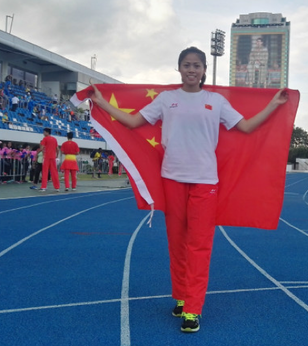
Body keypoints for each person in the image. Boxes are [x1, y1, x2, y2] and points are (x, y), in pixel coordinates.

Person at [89, 46, 288, 333]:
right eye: (186, 65)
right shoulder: (166, 100)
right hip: (172, 177)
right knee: (177, 241)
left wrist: (274, 105)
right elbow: (133, 122)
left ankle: (193, 309)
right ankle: (182, 296)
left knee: (199, 244)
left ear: (204, 70)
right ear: (179, 68)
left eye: (197, 65)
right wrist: (101, 102)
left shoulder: (216, 101)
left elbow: (245, 127)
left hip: (205, 181)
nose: (191, 70)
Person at [37, 127, 60, 192]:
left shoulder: (45, 139)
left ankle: (44, 187)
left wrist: (37, 152)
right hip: (53, 157)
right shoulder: (54, 139)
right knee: (54, 172)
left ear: (47, 132)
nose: (43, 133)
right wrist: (56, 156)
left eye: (44, 132)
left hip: (46, 157)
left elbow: (41, 148)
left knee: (45, 172)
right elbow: (57, 149)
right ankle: (57, 187)